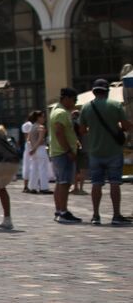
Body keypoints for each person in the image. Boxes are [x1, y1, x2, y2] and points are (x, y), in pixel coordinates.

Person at [77, 79, 130, 225]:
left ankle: (95, 216)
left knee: (96, 183)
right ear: (107, 91)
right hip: (113, 150)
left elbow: (81, 130)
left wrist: (93, 130)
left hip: (95, 151)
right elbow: (126, 126)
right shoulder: (115, 105)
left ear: (94, 91)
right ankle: (116, 215)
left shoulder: (86, 107)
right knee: (115, 183)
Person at [48, 88, 84, 224]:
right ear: (66, 98)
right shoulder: (62, 113)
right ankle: (63, 212)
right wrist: (69, 151)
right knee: (64, 183)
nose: (75, 103)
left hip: (57, 152)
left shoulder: (56, 111)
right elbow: (59, 132)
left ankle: (59, 210)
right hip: (63, 153)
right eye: (74, 100)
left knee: (60, 182)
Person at [23, 110, 50, 194]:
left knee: (34, 168)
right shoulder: (41, 127)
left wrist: (32, 149)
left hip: (33, 150)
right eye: (42, 117)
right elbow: (40, 139)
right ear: (38, 118)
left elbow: (29, 139)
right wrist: (35, 148)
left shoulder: (32, 127)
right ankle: (44, 187)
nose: (44, 118)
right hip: (40, 149)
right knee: (43, 168)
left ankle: (32, 187)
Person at [20, 114, 36, 193]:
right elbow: (28, 136)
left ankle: (26, 185)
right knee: (34, 165)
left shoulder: (25, 125)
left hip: (27, 145)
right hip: (32, 144)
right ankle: (34, 185)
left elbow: (25, 136)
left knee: (26, 165)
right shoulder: (33, 125)